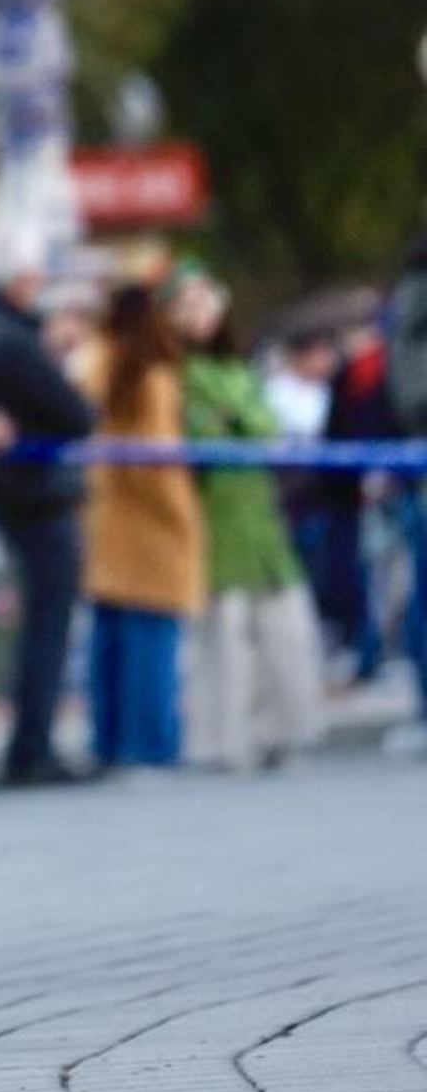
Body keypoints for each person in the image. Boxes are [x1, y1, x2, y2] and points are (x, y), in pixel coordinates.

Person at [168, 266, 324, 770]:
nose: (202, 313)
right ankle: (222, 741)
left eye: (206, 300)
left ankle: (285, 731)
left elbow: (260, 422)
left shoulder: (236, 368)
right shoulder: (180, 373)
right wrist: (244, 424)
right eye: (187, 304)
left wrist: (244, 423)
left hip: (260, 512)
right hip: (216, 512)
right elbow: (213, 431)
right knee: (224, 632)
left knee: (285, 627)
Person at [0, 228, 97, 785]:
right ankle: (32, 747)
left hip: (19, 495)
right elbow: (76, 414)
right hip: (37, 497)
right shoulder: (10, 341)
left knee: (45, 623)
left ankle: (32, 742)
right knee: (49, 624)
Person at [79, 281, 205, 767]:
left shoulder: (96, 362)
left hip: (107, 515)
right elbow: (158, 460)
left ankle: (108, 740)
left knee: (111, 641)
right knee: (153, 642)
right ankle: (151, 743)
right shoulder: (153, 374)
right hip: (151, 522)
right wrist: (183, 518)